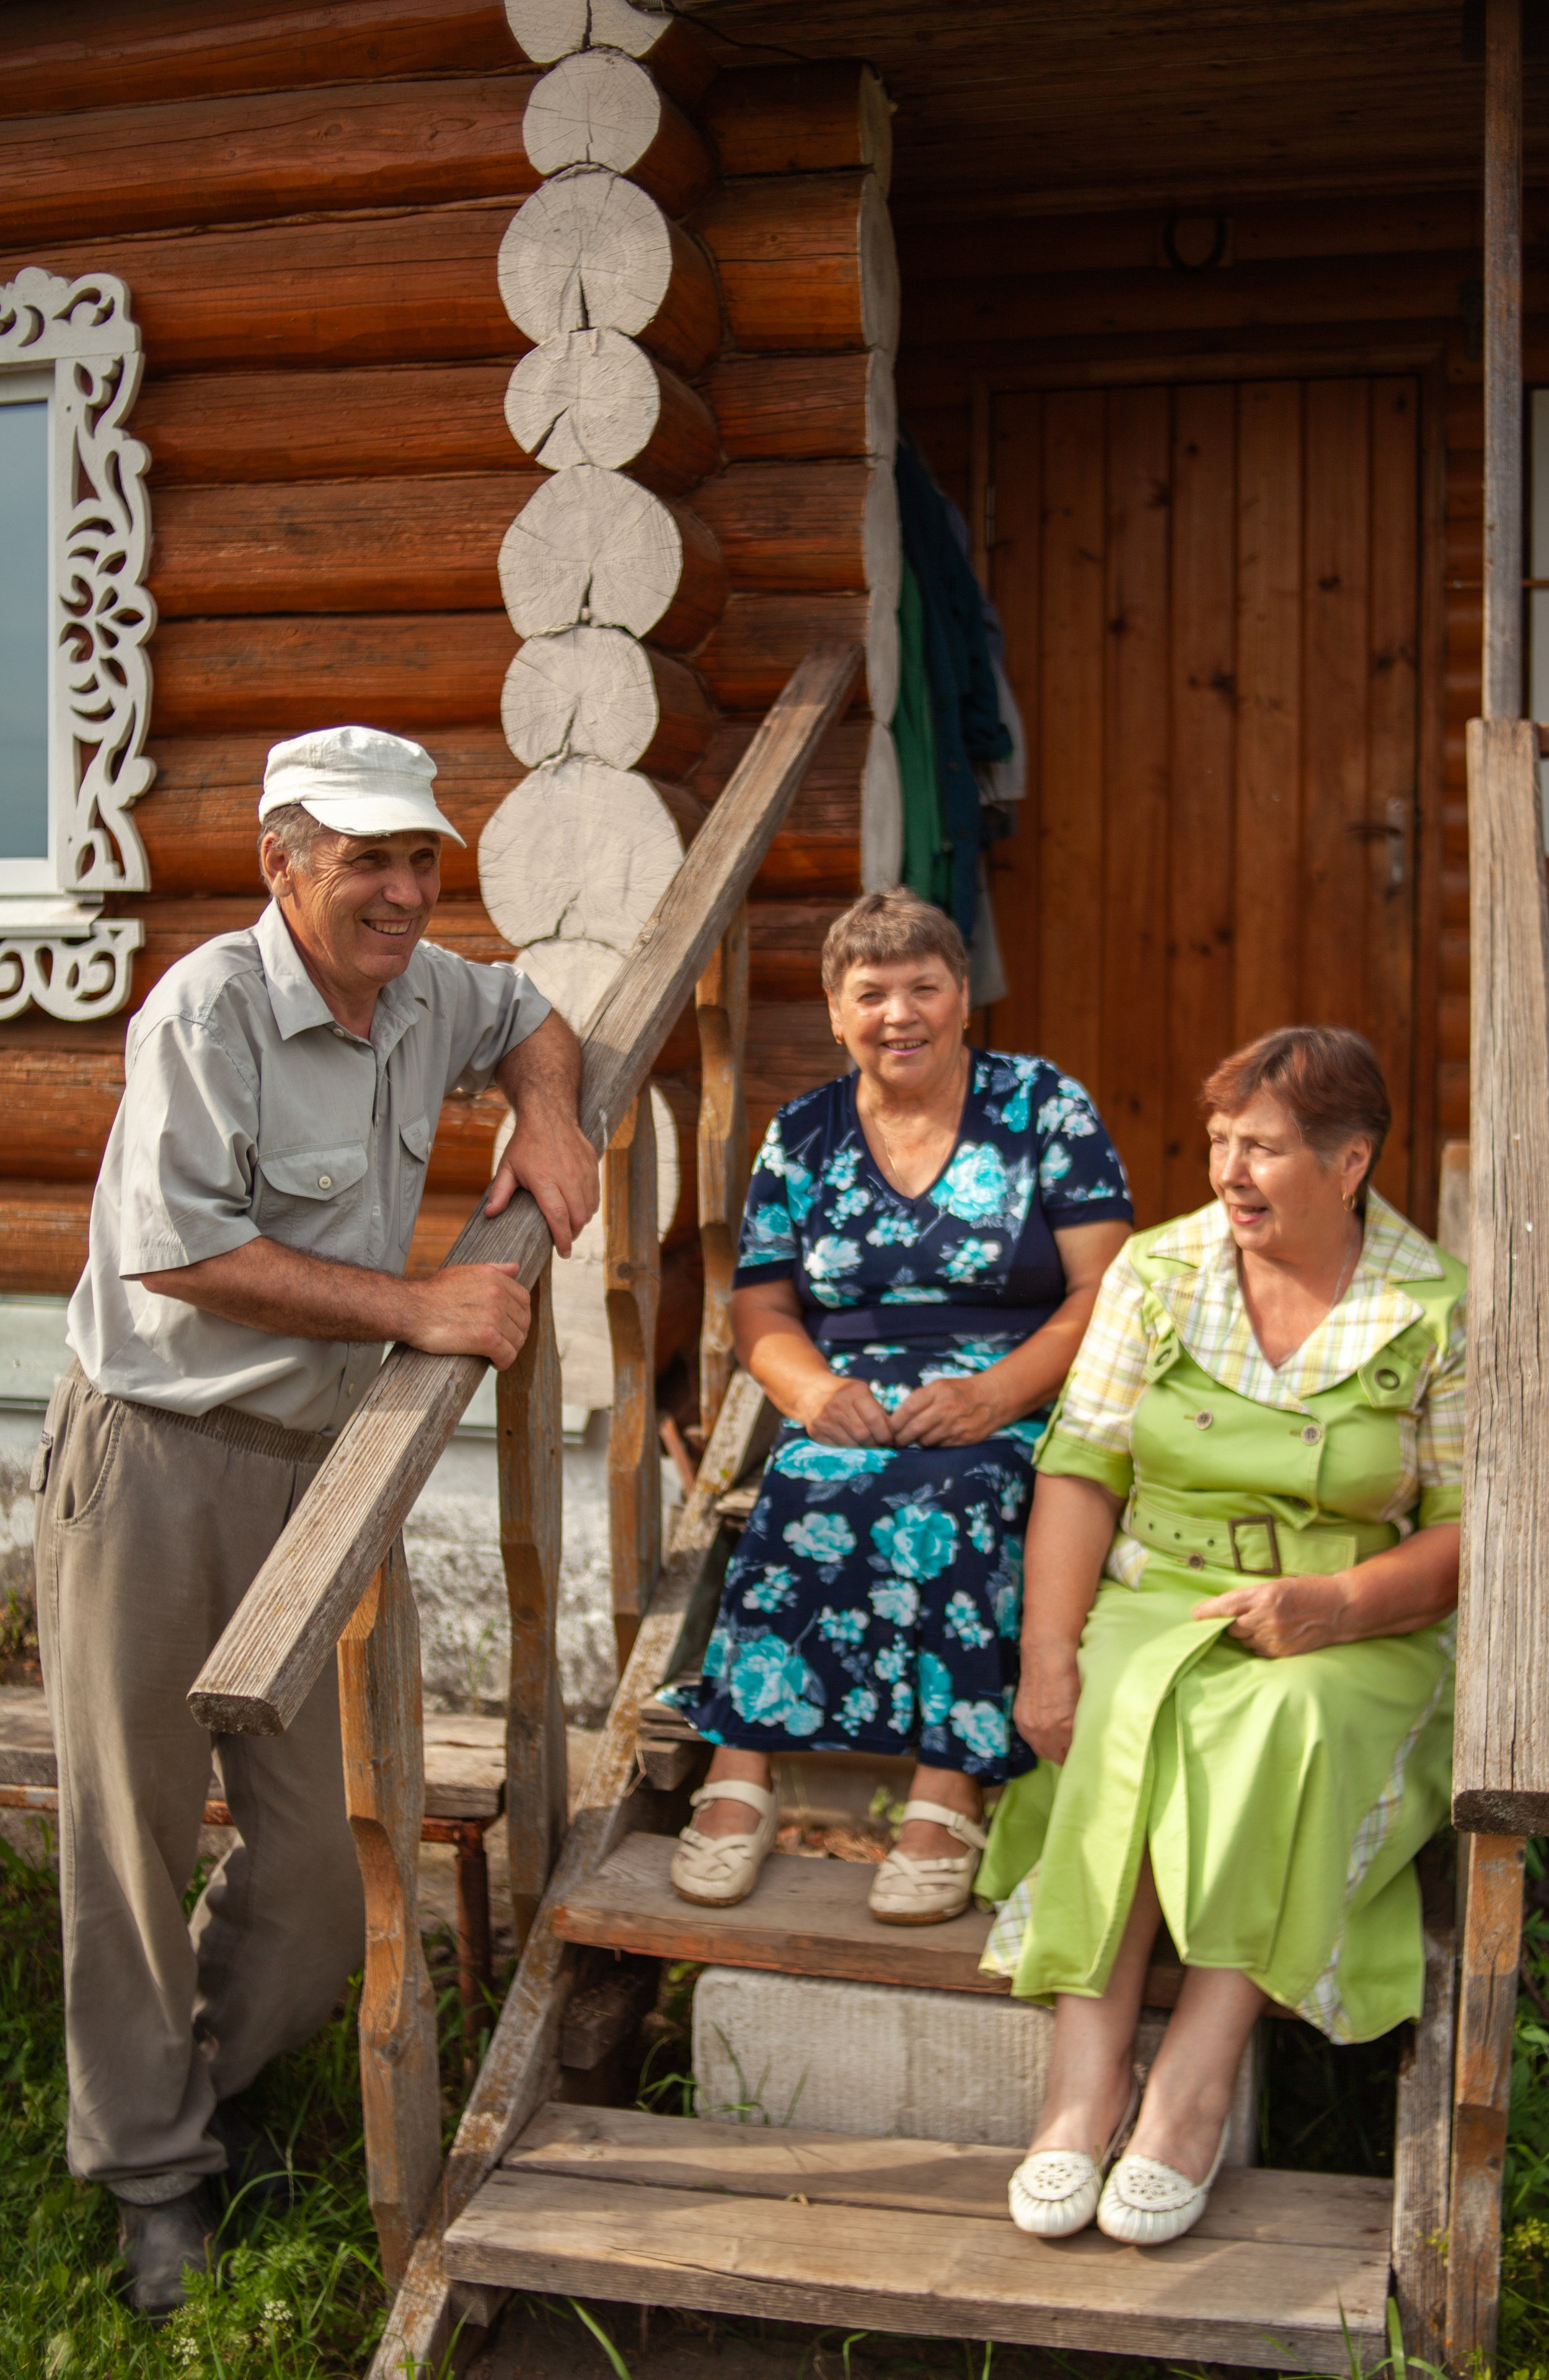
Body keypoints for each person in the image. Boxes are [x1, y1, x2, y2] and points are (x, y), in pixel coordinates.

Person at [33, 726, 599, 2315]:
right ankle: (153, 2180)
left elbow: (534, 1016)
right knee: (133, 1838)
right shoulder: (207, 1006)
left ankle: (197, 2094)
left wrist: (548, 1111)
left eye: (422, 858)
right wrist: (415, 1304)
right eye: (368, 860)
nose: (406, 891)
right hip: (154, 1455)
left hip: (316, 1468)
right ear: (283, 863)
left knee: (315, 1863)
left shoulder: (429, 984)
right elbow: (176, 1252)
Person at [979, 1027, 1463, 2249]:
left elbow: (1474, 1531)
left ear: (1347, 1162)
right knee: (1119, 1711)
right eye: (1217, 1144)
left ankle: (1190, 2087)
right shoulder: (1155, 1272)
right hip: (1161, 1588)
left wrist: (1337, 1608)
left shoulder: (1434, 1307)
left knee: (1276, 1727)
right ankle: (1080, 2092)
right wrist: (1048, 1654)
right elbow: (1080, 1473)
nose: (1227, 1173)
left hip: (1358, 1617)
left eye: (1262, 1148)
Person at [666, 888, 1133, 1923]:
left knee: (966, 1493)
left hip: (1014, 1389)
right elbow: (763, 1303)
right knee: (797, 1485)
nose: (899, 1013)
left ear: (964, 998)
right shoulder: (803, 1132)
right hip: (854, 1395)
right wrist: (813, 1392)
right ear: (836, 1013)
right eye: (871, 993)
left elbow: (1109, 1285)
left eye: (924, 987)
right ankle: (739, 1776)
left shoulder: (1041, 1106)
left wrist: (997, 1394)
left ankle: (944, 1797)